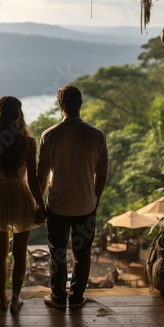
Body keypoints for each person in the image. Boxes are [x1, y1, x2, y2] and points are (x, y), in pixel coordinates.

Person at [37, 84, 108, 309]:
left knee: (58, 252)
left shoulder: (49, 135)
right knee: (82, 253)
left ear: (61, 106)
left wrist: (39, 203)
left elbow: (42, 175)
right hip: (86, 206)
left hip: (57, 206)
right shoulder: (97, 135)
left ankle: (58, 297)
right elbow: (102, 172)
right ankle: (77, 297)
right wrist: (94, 199)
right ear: (81, 105)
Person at [0, 96, 46, 312]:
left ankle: (2, 299)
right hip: (21, 197)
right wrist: (41, 205)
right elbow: (33, 179)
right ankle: (16, 298)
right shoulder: (28, 142)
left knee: (0, 253)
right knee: (20, 252)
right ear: (19, 115)